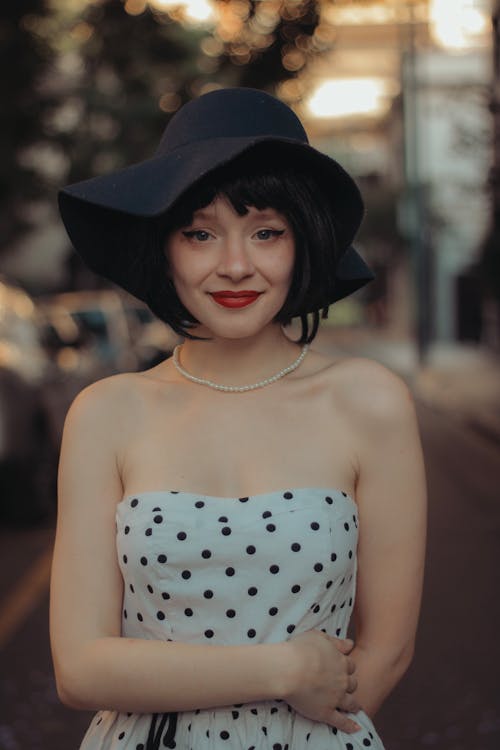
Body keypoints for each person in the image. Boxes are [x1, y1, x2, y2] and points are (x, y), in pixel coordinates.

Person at [50, 87, 427, 750]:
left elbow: (385, 656)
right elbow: (79, 668)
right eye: (200, 232)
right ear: (165, 247)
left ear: (301, 243)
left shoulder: (369, 402)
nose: (233, 265)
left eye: (266, 233)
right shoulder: (107, 413)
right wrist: (280, 669)